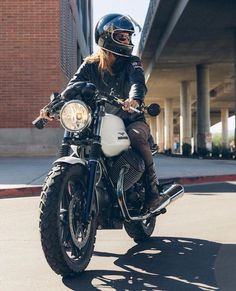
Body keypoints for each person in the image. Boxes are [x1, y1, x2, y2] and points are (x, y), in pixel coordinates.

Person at [40, 13, 169, 211]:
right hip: (99, 118)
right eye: (122, 37)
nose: (128, 41)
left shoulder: (132, 62)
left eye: (128, 37)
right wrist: (52, 107)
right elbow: (72, 87)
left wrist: (134, 99)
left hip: (130, 118)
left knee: (136, 138)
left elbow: (138, 82)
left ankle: (153, 191)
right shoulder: (91, 64)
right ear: (107, 37)